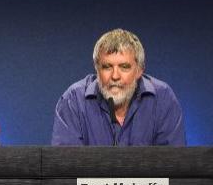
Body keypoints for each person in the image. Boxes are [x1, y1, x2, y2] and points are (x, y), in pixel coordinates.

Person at [51, 28, 185, 146]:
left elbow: (173, 165)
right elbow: (66, 167)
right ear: (97, 70)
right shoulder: (73, 101)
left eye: (124, 67)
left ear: (139, 70)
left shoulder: (163, 99)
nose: (115, 76)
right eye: (107, 67)